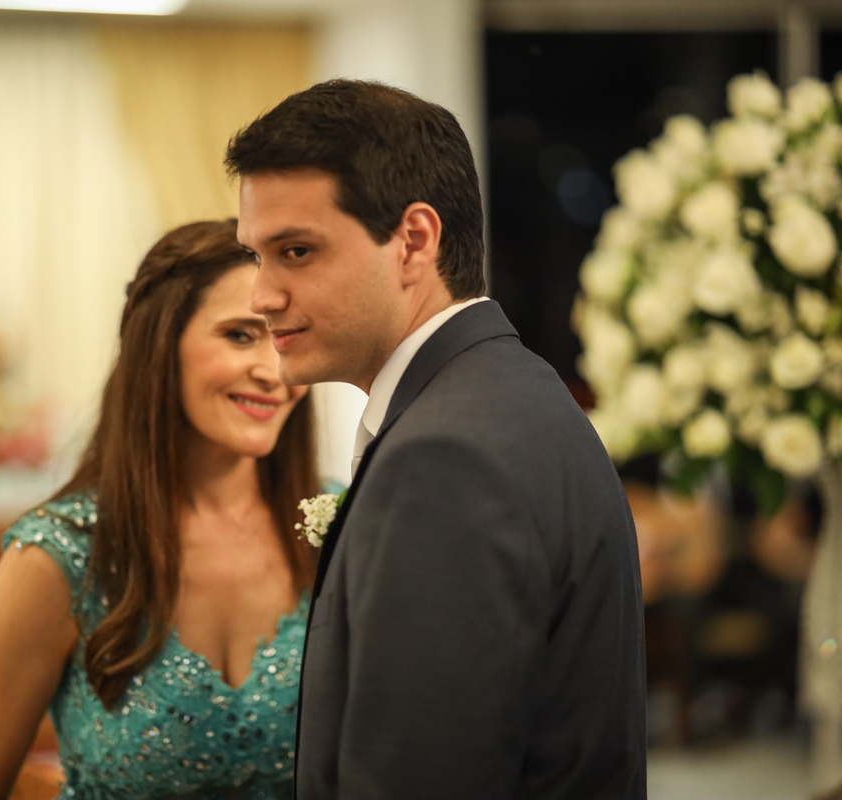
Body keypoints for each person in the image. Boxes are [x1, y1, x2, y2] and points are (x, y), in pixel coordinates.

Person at [227, 80, 647, 799]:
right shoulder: (515, 389)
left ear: (414, 242)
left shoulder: (444, 460)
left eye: (296, 251)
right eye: (256, 256)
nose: (262, 296)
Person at [0, 220, 319, 800]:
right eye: (240, 335)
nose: (274, 370)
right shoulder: (60, 557)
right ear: (159, 345)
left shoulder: (332, 523)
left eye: (284, 337)